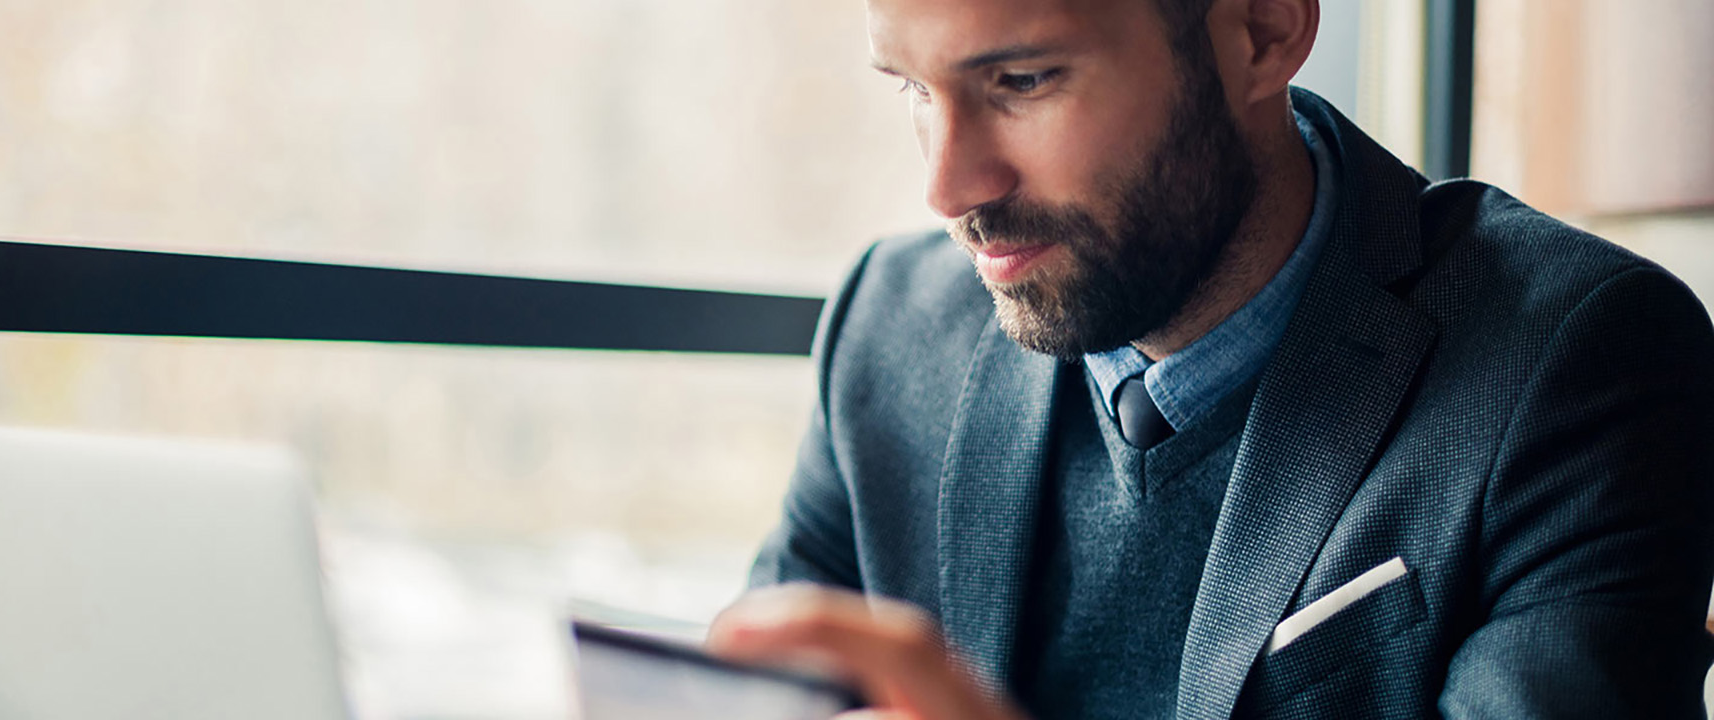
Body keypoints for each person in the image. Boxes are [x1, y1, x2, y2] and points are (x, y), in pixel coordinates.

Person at [703, 0, 1714, 718]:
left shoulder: (1581, 358)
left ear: (1265, 30)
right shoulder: (891, 326)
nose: (948, 183)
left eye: (1020, 81)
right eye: (915, 89)